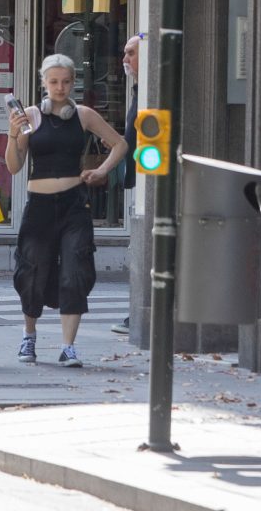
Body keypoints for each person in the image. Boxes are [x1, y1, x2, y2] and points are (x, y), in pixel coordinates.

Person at [7, 53, 129, 367]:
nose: (59, 88)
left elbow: (120, 143)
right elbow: (14, 166)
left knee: (76, 269)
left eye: (65, 82)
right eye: (53, 82)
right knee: (32, 270)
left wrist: (101, 171)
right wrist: (12, 134)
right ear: (44, 84)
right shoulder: (31, 116)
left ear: (73, 83)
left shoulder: (84, 115)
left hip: (74, 203)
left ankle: (68, 346)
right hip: (39, 205)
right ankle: (29, 337)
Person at [110, 33, 145, 336]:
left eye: (131, 53)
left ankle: (142, 313)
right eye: (125, 53)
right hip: (140, 176)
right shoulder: (139, 89)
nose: (125, 60)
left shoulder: (150, 90)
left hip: (149, 177)